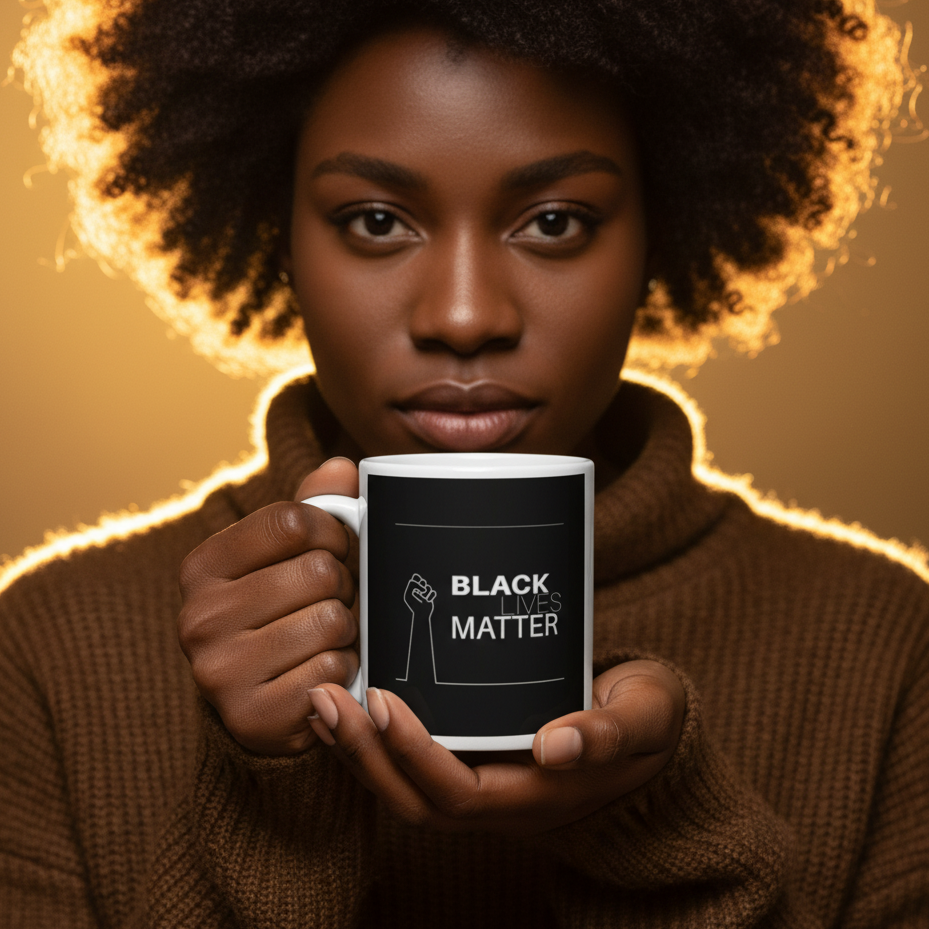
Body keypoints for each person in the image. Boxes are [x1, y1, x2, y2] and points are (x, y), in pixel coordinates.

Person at [2, 1, 926, 926]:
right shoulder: (47, 652)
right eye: (375, 220)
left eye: (554, 222)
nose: (464, 315)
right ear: (278, 237)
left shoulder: (890, 651)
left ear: (660, 233)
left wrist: (664, 831)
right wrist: (268, 811)